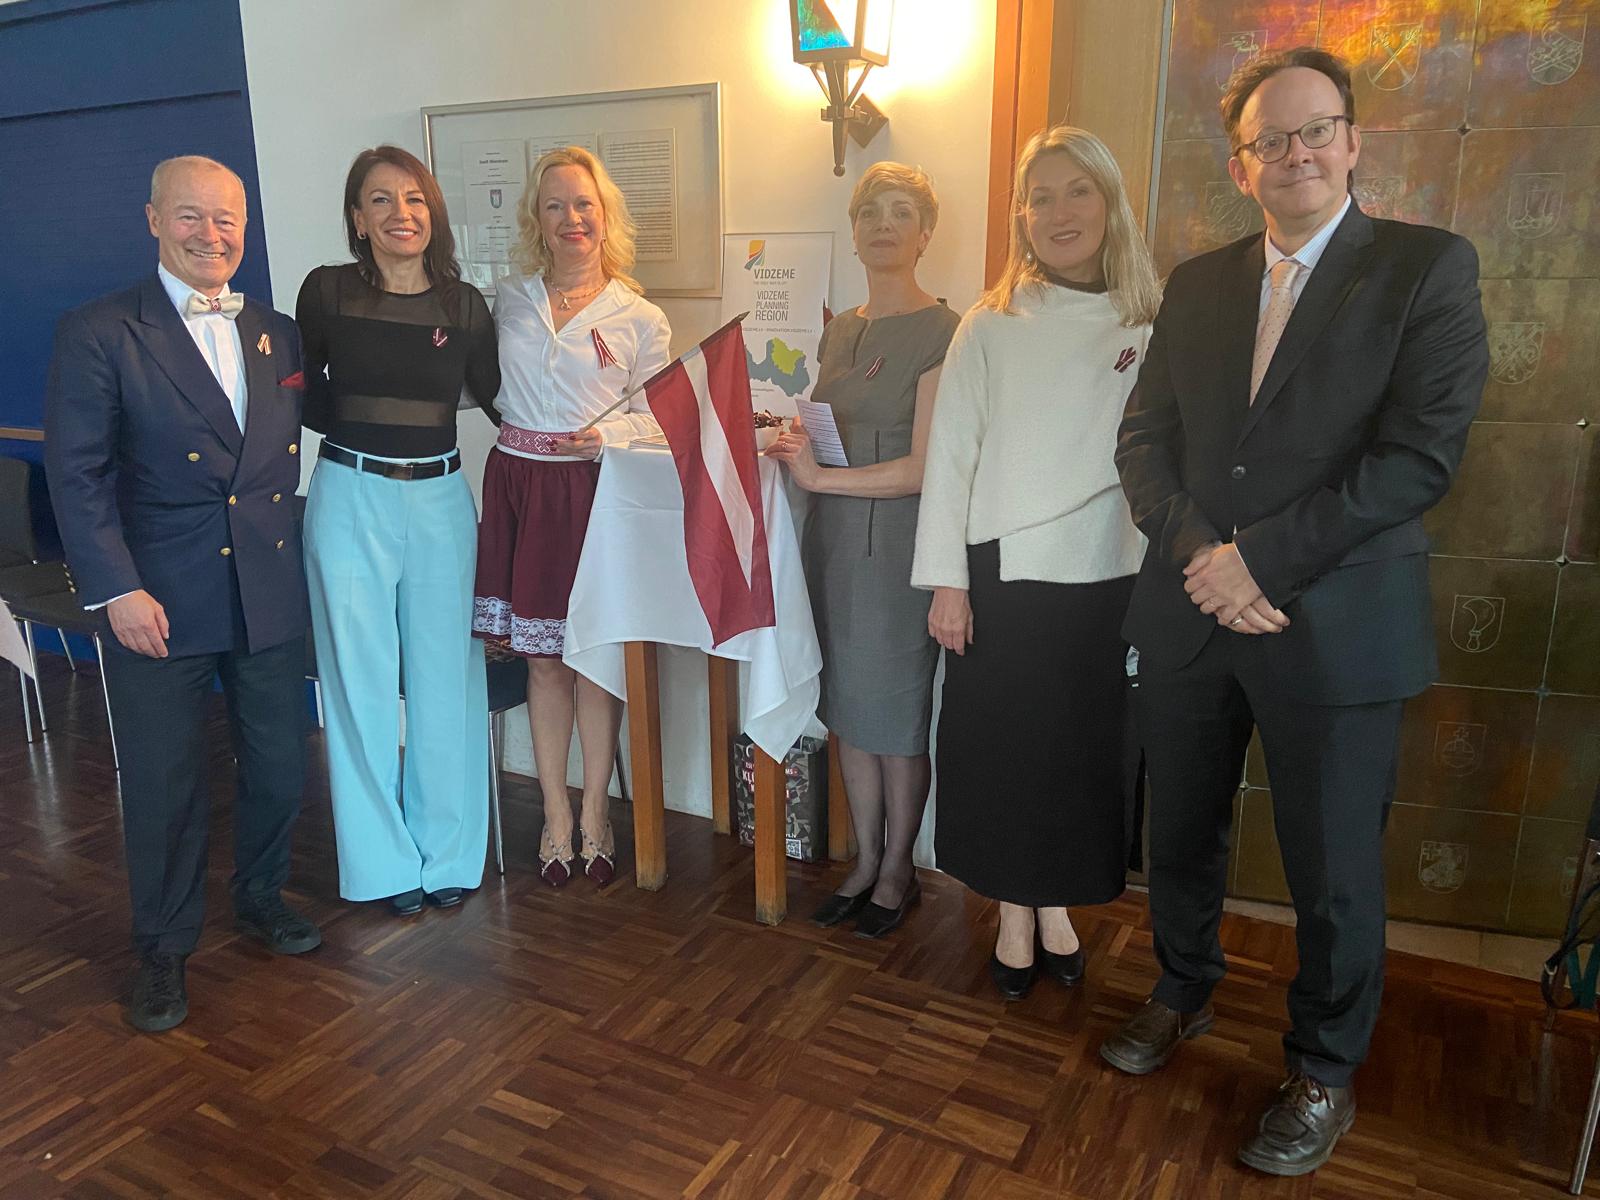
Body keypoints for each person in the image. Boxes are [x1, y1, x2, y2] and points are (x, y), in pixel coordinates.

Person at [1104, 49, 1487, 1177]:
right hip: (1191, 613)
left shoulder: (1426, 268)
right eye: (1270, 139)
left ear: (1353, 142)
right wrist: (1201, 558)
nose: (1296, 153)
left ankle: (1323, 1067)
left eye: (1316, 130)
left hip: (1336, 623)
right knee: (1179, 832)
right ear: (1241, 167)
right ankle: (1182, 988)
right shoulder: (1197, 283)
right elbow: (1144, 441)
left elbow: (1417, 459)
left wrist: (1257, 564)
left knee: (1332, 868)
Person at [44, 156, 321, 1033]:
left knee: (278, 766)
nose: (211, 234)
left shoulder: (276, 331)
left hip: (267, 585)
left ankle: (261, 895)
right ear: (154, 220)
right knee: (166, 783)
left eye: (227, 218)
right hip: (158, 596)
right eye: (191, 216)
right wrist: (115, 589)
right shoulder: (101, 330)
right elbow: (77, 475)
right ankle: (163, 949)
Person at [910, 128, 1162, 998]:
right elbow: (951, 456)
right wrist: (948, 581)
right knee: (1007, 750)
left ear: (1109, 202)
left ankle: (1055, 901)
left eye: (1078, 191)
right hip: (1003, 573)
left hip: (1108, 573)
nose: (1061, 212)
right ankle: (1016, 912)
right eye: (1041, 197)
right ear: (1021, 215)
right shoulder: (991, 324)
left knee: (1080, 754)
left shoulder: (1148, 320)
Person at [296, 146, 502, 918]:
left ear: (433, 213)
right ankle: (383, 863)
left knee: (448, 680)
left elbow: (500, 401)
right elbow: (303, 393)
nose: (399, 213)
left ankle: (447, 854)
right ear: (358, 218)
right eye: (380, 200)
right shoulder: (326, 292)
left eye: (413, 199)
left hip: (442, 501)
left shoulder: (464, 305)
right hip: (350, 496)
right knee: (361, 684)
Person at [767, 162, 957, 938]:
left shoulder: (945, 330)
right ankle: (864, 859)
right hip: (833, 541)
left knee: (894, 717)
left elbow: (926, 465)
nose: (884, 225)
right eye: (871, 212)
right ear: (853, 231)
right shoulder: (840, 327)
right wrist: (791, 442)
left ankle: (899, 868)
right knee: (846, 707)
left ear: (925, 233)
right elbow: (829, 426)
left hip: (898, 546)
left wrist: (822, 478)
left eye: (902, 211)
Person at [472, 146, 670, 887]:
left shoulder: (639, 316)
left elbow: (661, 415)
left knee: (595, 657)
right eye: (554, 205)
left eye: (583, 204)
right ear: (537, 219)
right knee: (543, 659)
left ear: (605, 214)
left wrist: (609, 434)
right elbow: (474, 386)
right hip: (520, 488)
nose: (570, 218)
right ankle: (555, 812)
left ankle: (596, 812)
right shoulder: (507, 301)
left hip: (594, 495)